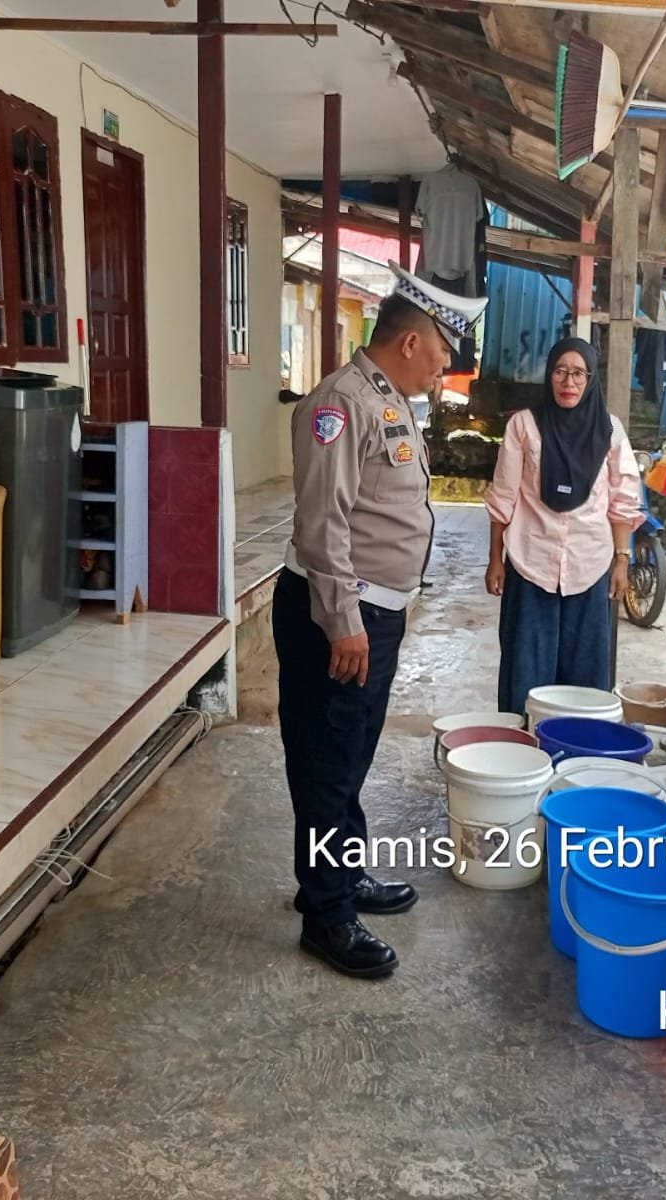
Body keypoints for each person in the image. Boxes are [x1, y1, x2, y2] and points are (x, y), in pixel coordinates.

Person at [275, 264, 486, 980]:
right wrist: (342, 622)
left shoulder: (387, 400)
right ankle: (326, 914)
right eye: (443, 348)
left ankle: (339, 873)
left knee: (351, 755)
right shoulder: (339, 403)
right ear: (410, 341)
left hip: (375, 612)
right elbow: (322, 522)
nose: (446, 364)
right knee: (326, 762)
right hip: (339, 614)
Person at [484, 337, 643, 715]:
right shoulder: (524, 425)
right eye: (559, 371)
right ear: (549, 375)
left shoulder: (609, 431)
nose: (568, 382)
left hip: (590, 565)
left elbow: (623, 500)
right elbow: (504, 496)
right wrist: (495, 559)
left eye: (578, 374)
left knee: (585, 677)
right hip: (530, 563)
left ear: (590, 379)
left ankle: (576, 743)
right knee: (525, 672)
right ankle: (525, 742)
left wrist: (622, 560)